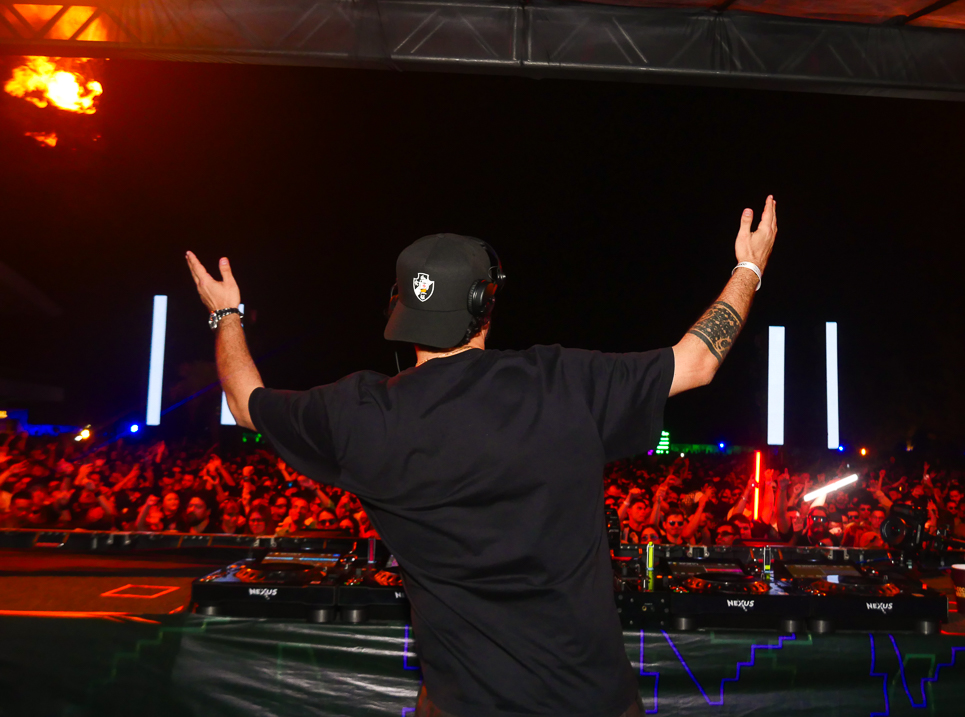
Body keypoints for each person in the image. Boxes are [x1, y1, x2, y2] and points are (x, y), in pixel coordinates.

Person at [184, 200, 777, 717]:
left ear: (398, 305)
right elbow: (698, 360)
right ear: (483, 302)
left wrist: (226, 313)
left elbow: (243, 402)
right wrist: (748, 267)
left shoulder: (359, 416)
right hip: (588, 700)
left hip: (460, 702)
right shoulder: (560, 382)